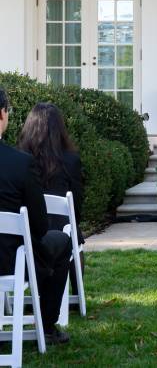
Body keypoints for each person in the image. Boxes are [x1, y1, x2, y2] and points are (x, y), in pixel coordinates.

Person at [0, 89, 71, 344]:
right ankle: (48, 326)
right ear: (2, 114)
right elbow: (40, 225)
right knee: (61, 242)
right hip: (7, 262)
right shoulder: (19, 163)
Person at [18, 103, 84, 296]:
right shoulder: (71, 159)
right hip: (60, 227)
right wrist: (74, 223)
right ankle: (77, 292)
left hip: (28, 227)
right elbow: (77, 200)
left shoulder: (20, 159)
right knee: (75, 235)